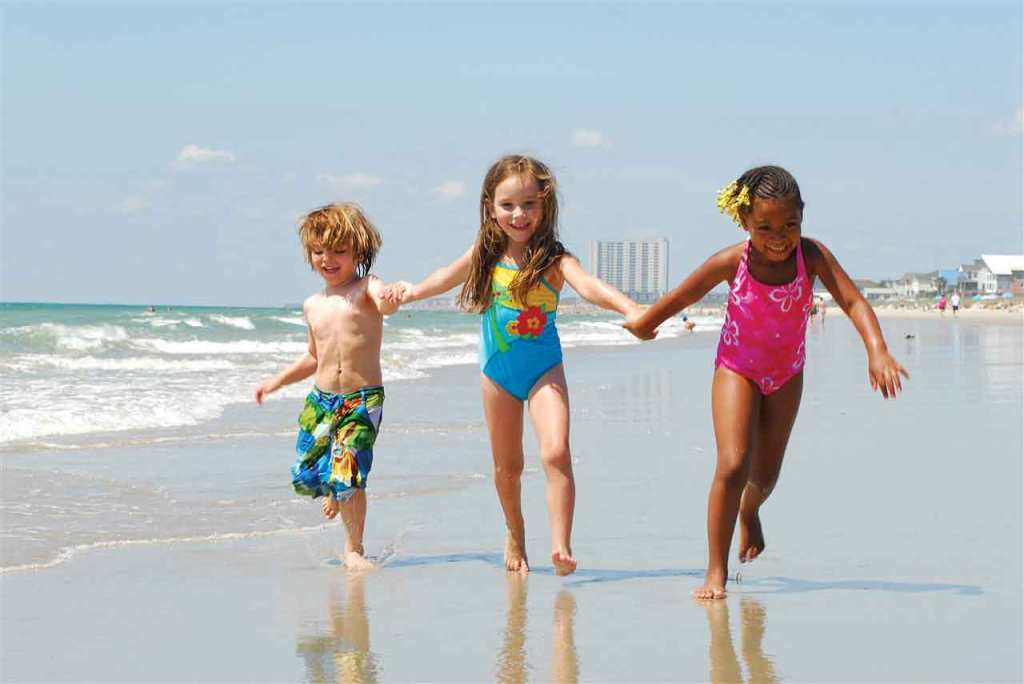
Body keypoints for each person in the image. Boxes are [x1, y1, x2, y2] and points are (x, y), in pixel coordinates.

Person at [625, 165, 909, 599]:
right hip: (736, 368)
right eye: (765, 227)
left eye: (789, 225)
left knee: (766, 477)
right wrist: (646, 322)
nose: (779, 236)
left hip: (787, 374)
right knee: (734, 463)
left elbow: (852, 301)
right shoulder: (731, 261)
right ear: (744, 222)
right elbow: (683, 295)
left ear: (802, 218)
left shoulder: (810, 256)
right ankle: (715, 572)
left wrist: (877, 349)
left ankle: (749, 511)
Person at [395, 155, 646, 576]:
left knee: (555, 451)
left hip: (544, 369)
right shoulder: (485, 255)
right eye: (508, 204)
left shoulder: (555, 260)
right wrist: (408, 293)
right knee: (508, 467)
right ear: (490, 208)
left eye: (529, 204)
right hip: (497, 373)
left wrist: (630, 307)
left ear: (545, 206)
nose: (519, 214)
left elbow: (590, 287)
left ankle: (561, 544)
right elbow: (443, 277)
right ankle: (515, 531)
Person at [255, 203, 403, 570]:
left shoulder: (366, 288)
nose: (328, 259)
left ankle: (353, 548)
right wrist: (276, 381)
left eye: (339, 251)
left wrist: (392, 297)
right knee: (307, 472)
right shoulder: (312, 305)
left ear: (359, 253)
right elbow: (312, 357)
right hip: (320, 400)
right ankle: (334, 489)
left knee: (350, 474)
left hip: (361, 400)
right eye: (319, 251)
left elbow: (384, 305)